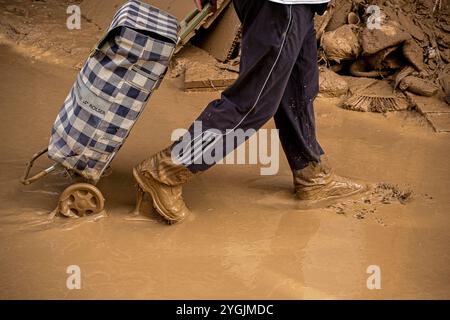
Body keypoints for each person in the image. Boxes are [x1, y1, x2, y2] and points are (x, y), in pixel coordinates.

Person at [132, 0, 364, 224]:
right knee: (253, 101)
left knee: (298, 87)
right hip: (280, 6)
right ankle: (166, 170)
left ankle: (310, 173)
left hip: (295, 6)